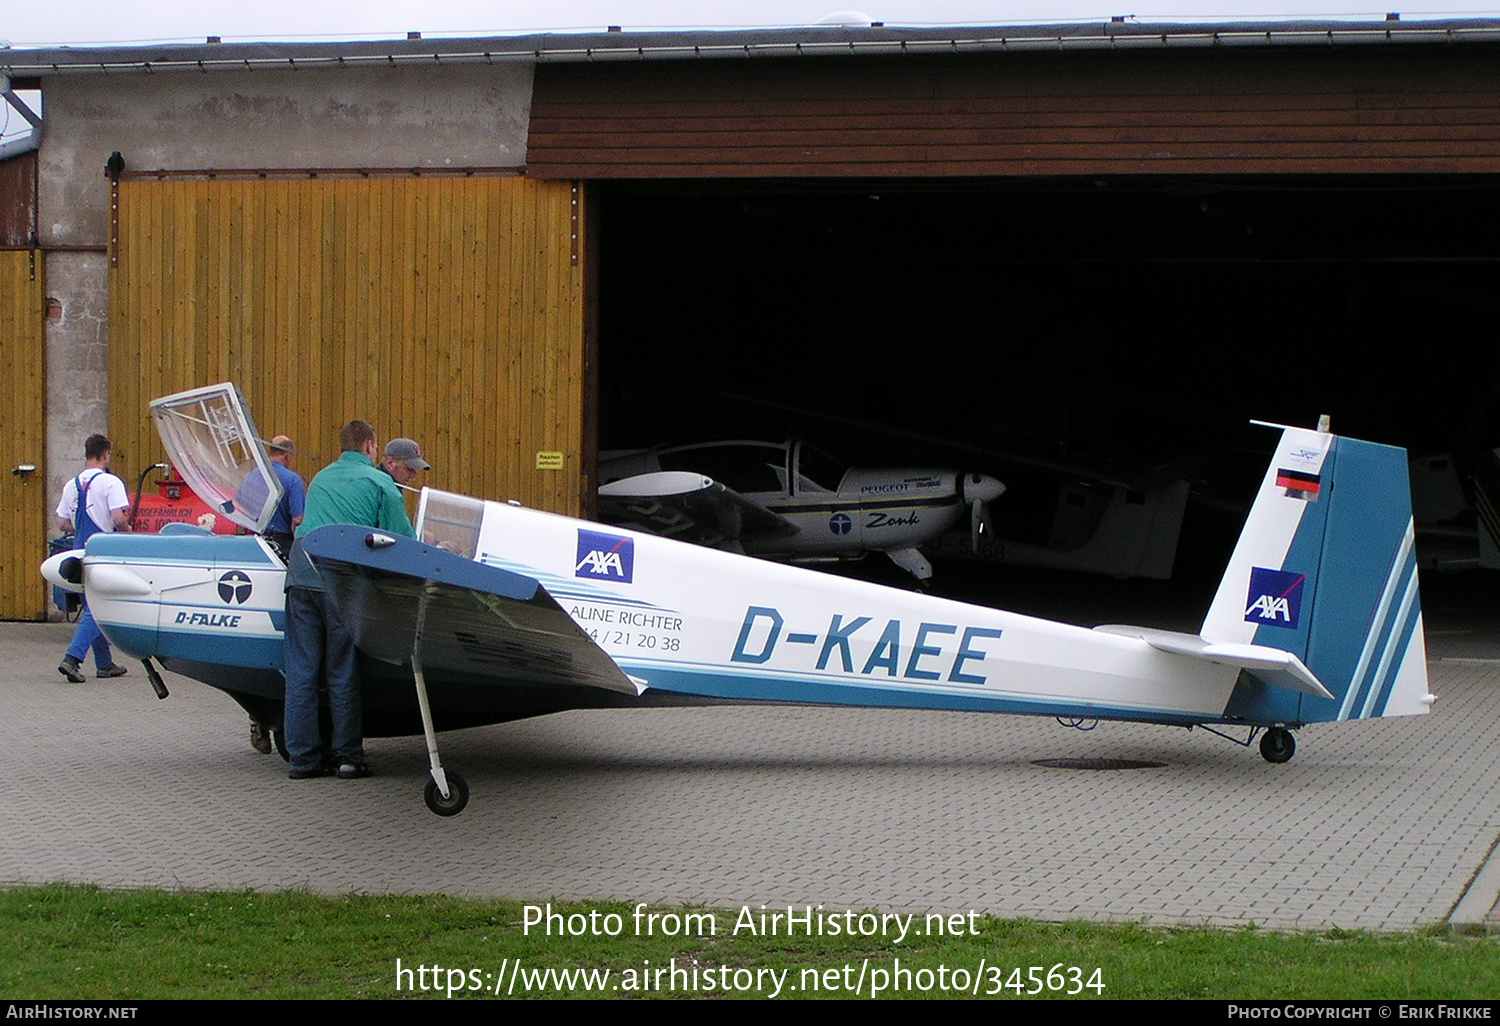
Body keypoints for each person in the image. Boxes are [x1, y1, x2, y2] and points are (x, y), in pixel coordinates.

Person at [282, 420, 415, 781]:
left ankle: (303, 759)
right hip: (340, 581)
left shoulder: (321, 477)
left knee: (301, 671)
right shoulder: (379, 482)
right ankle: (347, 758)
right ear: (371, 446)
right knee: (340, 669)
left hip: (301, 574)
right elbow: (402, 540)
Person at [56, 434, 131, 683]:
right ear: (106, 453)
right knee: (99, 609)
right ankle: (73, 658)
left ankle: (105, 664)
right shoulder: (111, 482)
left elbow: (62, 522)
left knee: (92, 604)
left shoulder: (71, 485)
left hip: (78, 552)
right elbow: (119, 518)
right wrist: (129, 533)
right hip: (102, 550)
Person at [263, 435, 306, 562]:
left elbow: (240, 507)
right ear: (287, 455)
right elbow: (297, 519)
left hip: (255, 541)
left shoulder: (252, 476)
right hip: (282, 544)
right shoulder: (294, 480)